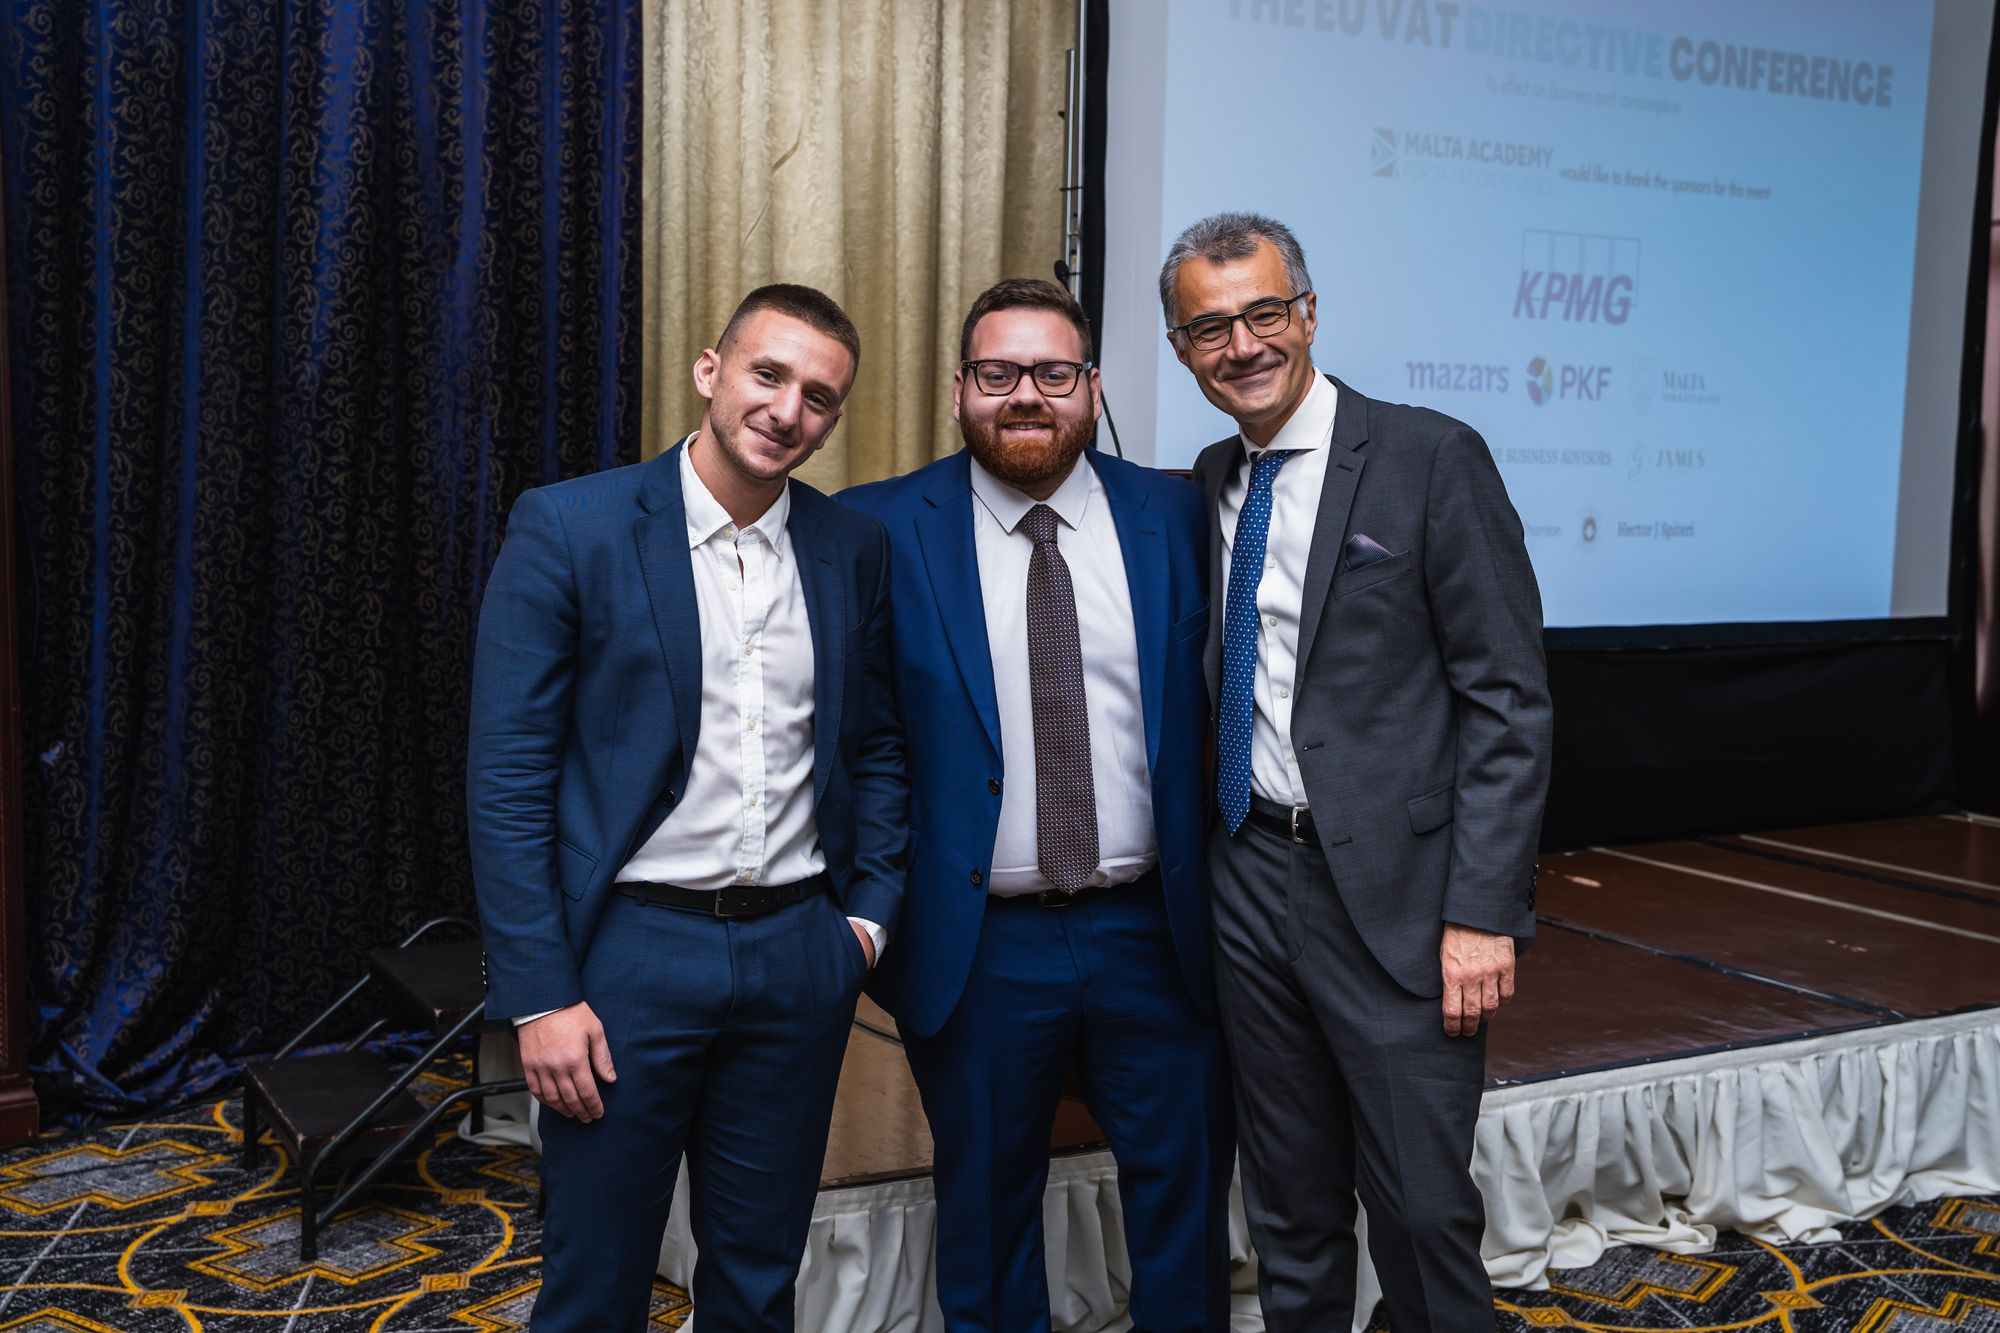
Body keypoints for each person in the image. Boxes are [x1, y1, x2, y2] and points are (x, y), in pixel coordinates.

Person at [466, 284, 905, 1331]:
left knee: (758, 1276)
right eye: (768, 374)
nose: (787, 409)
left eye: (817, 396)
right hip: (628, 959)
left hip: (799, 955)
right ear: (711, 370)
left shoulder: (852, 548)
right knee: (595, 1283)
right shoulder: (571, 525)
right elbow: (508, 778)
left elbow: (878, 746)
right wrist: (539, 993)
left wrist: (866, 922)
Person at [1163, 212, 1552, 1331]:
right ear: (1182, 349)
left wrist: (1482, 911)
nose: (1242, 345)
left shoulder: (1431, 457)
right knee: (1287, 1208)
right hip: (1248, 875)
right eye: (1209, 328)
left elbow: (1509, 701)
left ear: (1309, 313)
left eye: (1263, 313)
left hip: (1400, 900)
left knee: (1423, 1215)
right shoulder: (1210, 480)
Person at [840, 278, 1232, 1332]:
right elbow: (853, 739)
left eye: (1053, 374)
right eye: (998, 373)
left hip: (1156, 933)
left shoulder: (1179, 515)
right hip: (978, 945)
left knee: (1185, 1206)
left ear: (1092, 387)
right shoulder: (876, 528)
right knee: (984, 1214)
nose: (1026, 395)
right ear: (959, 389)